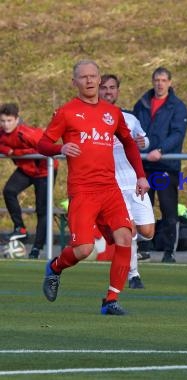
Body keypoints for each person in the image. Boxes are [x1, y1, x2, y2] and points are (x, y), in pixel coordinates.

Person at [37, 60, 150, 315]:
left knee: (125, 236)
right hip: (82, 191)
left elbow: (130, 144)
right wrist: (60, 148)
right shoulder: (66, 112)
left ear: (99, 80)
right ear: (74, 81)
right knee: (83, 249)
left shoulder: (112, 112)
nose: (89, 81)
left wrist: (141, 176)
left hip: (110, 188)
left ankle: (111, 300)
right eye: (83, 77)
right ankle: (55, 267)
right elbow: (43, 143)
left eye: (93, 76)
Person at [99, 74, 155, 289]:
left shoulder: (129, 119)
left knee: (147, 231)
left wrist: (144, 142)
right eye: (104, 88)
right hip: (112, 187)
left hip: (134, 183)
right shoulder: (93, 119)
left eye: (112, 88)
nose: (108, 92)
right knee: (128, 230)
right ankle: (133, 274)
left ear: (117, 91)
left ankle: (130, 260)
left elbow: (144, 139)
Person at [133, 67, 187, 263]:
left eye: (164, 80)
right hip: (144, 166)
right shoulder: (141, 104)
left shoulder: (177, 107)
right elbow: (134, 129)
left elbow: (177, 134)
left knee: (168, 209)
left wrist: (161, 151)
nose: (160, 83)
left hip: (166, 166)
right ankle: (143, 249)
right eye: (157, 80)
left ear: (170, 82)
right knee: (142, 208)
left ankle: (169, 251)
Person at [0, 103, 59, 259]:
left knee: (42, 210)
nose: (6, 124)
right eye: (3, 121)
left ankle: (36, 249)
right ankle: (20, 228)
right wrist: (8, 151)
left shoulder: (27, 133)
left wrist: (17, 152)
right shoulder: (2, 133)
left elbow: (45, 146)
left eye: (9, 120)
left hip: (45, 170)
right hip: (26, 169)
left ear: (17, 120)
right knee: (9, 191)